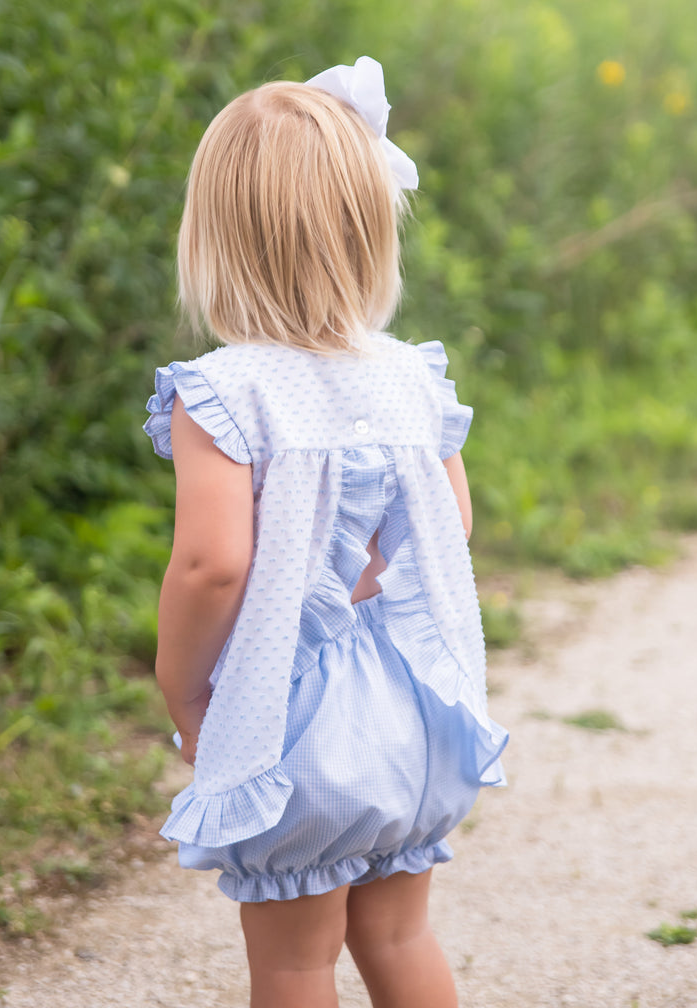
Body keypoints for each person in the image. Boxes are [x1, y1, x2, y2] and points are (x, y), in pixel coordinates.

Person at [144, 55, 508, 1008]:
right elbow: (450, 525)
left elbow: (214, 565)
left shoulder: (224, 392)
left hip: (294, 724)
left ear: (216, 238)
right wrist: (359, 576)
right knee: (399, 935)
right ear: (368, 230)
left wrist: (181, 683)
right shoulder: (410, 376)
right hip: (411, 715)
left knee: (298, 962)